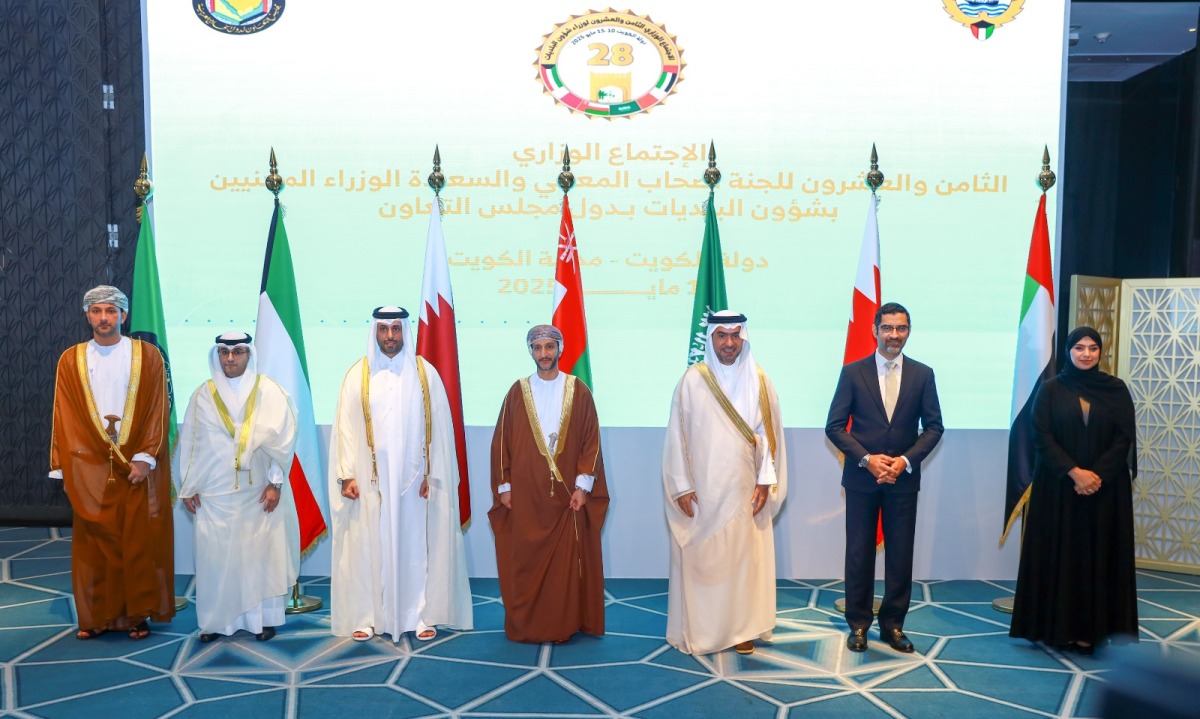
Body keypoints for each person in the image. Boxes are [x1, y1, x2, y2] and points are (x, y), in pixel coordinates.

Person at [328, 307, 472, 642]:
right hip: (369, 481)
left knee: (415, 548)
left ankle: (419, 615)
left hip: (415, 483)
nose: (390, 336)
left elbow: (441, 430)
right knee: (368, 546)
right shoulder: (357, 375)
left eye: (396, 329)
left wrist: (433, 475)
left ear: (405, 331)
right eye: (384, 330)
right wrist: (347, 475)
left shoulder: (425, 374)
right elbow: (345, 429)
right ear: (374, 332)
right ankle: (367, 616)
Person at [49, 285, 175, 640]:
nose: (104, 318)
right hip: (89, 465)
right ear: (87, 315)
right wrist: (71, 463)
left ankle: (137, 615)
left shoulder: (146, 356)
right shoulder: (70, 359)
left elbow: (156, 409)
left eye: (110, 310)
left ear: (124, 315)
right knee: (93, 544)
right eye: (97, 311)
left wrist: (145, 457)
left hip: (135, 465)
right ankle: (95, 617)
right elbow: (65, 414)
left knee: (135, 541)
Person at [662, 311, 787, 656]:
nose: (729, 343)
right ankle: (704, 629)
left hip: (746, 491)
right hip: (703, 492)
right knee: (706, 561)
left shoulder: (759, 380)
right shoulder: (691, 380)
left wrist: (765, 481)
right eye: (722, 336)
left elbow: (769, 436)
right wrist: (681, 486)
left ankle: (741, 629)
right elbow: (676, 437)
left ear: (743, 338)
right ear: (711, 339)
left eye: (735, 336)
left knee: (744, 562)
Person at [1009, 326, 1139, 654]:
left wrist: (1096, 476)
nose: (1085, 354)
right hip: (1059, 489)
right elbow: (1041, 435)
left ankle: (1093, 631)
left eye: (1092, 348)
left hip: (1105, 490)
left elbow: (1123, 438)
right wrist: (1074, 472)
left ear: (1100, 352)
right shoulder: (1051, 389)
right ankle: (1058, 629)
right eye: (1079, 347)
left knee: (1098, 556)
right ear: (1069, 350)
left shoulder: (1115, 389)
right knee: (1062, 555)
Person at [826, 301, 943, 654]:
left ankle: (893, 625)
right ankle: (858, 625)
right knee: (859, 554)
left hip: (903, 481)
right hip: (862, 480)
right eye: (888, 328)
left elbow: (934, 427)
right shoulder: (852, 372)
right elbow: (834, 426)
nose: (894, 335)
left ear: (908, 331)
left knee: (900, 556)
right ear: (874, 330)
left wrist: (905, 460)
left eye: (901, 328)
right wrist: (866, 459)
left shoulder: (924, 374)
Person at [175, 332, 299, 642]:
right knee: (214, 560)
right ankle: (217, 622)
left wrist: (275, 484)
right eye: (225, 352)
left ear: (249, 354)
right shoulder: (202, 395)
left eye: (239, 352)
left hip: (257, 491)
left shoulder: (269, 391)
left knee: (260, 556)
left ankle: (263, 620)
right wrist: (188, 487)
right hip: (214, 495)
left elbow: (282, 443)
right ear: (217, 355)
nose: (231, 358)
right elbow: (190, 443)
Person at [489, 324, 608, 643]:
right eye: (538, 348)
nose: (544, 354)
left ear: (560, 349)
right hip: (526, 496)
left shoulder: (578, 389)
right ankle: (527, 623)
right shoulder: (517, 391)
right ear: (530, 351)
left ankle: (562, 623)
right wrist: (505, 488)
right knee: (525, 560)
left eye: (549, 347)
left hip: (567, 497)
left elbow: (590, 442)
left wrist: (583, 487)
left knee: (564, 567)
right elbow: (501, 443)